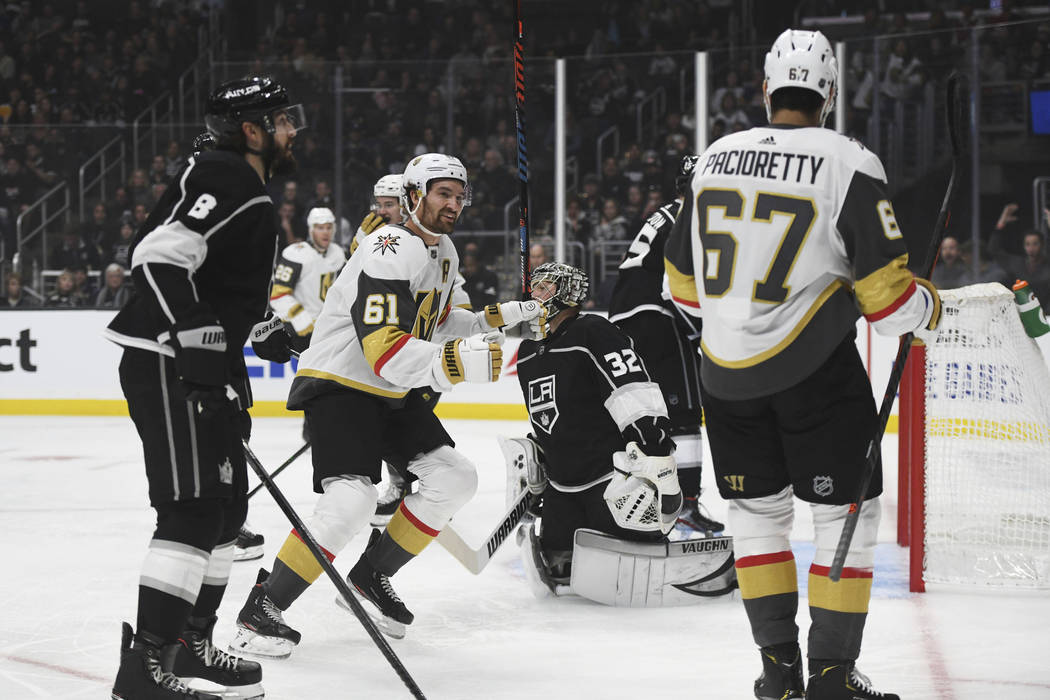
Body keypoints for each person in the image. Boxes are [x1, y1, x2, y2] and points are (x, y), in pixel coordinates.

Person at [665, 29, 940, 700]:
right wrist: (928, 308)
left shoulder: (715, 158)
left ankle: (780, 676)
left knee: (758, 522)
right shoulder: (848, 160)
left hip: (724, 378)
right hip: (814, 373)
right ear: (831, 92)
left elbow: (680, 286)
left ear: (766, 88)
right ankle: (831, 677)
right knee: (847, 514)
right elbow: (885, 298)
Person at [231, 153, 547, 655]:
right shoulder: (389, 246)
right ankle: (261, 609)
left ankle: (370, 576)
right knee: (350, 502)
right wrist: (460, 363)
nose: (454, 204)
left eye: (460, 195)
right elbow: (386, 352)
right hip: (340, 383)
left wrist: (505, 317)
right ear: (414, 196)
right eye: (443, 193)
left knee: (455, 478)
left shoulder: (442, 252)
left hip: (389, 393)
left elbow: (445, 323)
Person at [103, 75, 305, 700]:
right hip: (171, 362)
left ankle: (189, 643)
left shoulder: (244, 186)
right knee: (192, 509)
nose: (292, 129)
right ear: (253, 130)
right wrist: (195, 337)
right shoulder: (227, 175)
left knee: (227, 513)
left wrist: (263, 327)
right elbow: (158, 257)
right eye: (282, 120)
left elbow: (217, 279)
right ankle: (145, 670)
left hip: (206, 364)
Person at [512, 262, 684, 588]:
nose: (534, 294)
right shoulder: (528, 351)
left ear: (567, 295)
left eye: (544, 287)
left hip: (609, 478)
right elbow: (548, 414)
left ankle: (647, 538)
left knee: (632, 549)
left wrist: (651, 439)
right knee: (558, 566)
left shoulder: (591, 332)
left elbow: (630, 383)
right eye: (534, 287)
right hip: (563, 484)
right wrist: (540, 454)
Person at [608, 154, 723, 538]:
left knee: (650, 416)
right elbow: (679, 284)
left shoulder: (667, 213)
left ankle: (638, 499)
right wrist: (705, 335)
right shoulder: (693, 217)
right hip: (658, 318)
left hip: (628, 318)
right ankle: (685, 505)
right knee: (686, 415)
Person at [269, 207, 347, 348]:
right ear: (311, 230)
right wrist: (300, 317)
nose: (325, 232)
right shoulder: (296, 254)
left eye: (329, 228)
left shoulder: (337, 253)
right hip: (298, 329)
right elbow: (278, 295)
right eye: (320, 228)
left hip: (325, 330)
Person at [348, 173, 403, 254]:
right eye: (379, 205)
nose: (381, 211)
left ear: (406, 205)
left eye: (389, 205)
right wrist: (363, 242)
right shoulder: (371, 231)